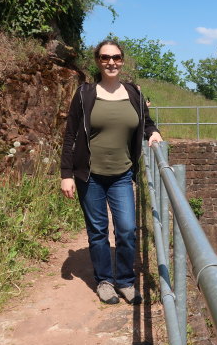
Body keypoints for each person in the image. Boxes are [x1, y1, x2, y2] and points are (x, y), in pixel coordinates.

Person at [60, 39, 163, 304]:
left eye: (116, 57)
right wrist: (66, 174)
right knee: (98, 231)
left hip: (122, 175)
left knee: (127, 229)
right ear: (97, 61)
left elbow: (147, 122)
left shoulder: (134, 93)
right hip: (90, 176)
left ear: (122, 60)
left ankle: (126, 281)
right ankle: (105, 281)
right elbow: (70, 134)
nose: (111, 62)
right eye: (105, 58)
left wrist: (153, 133)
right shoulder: (85, 93)